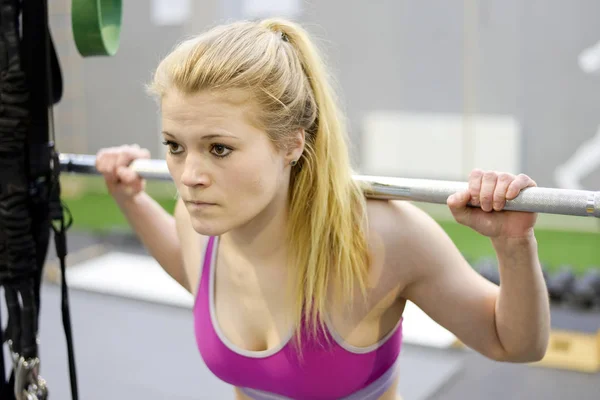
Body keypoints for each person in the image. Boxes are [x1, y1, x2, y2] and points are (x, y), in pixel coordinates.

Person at [95, 18, 550, 400]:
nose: (188, 175)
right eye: (175, 146)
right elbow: (196, 275)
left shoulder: (385, 236)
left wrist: (513, 245)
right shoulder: (198, 225)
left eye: (218, 148)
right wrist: (130, 199)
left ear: (291, 144)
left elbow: (513, 344)